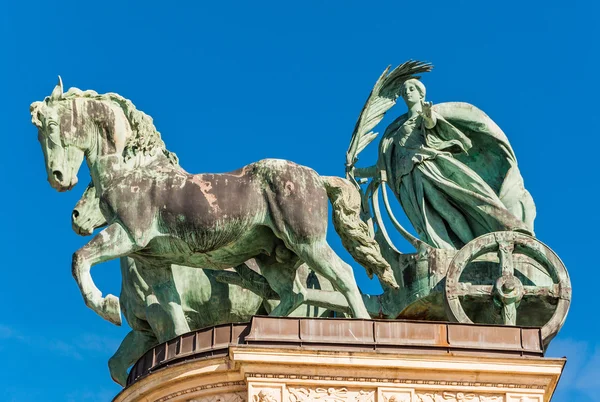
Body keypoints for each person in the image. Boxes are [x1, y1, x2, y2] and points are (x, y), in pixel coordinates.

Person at [353, 79, 535, 250]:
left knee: (461, 204)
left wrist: (428, 116)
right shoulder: (395, 128)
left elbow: (432, 125)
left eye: (411, 89)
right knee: (430, 220)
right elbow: (382, 168)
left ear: (420, 93)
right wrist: (356, 171)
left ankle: (482, 240)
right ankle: (449, 249)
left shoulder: (426, 114)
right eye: (404, 91)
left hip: (431, 167)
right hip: (410, 179)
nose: (407, 93)